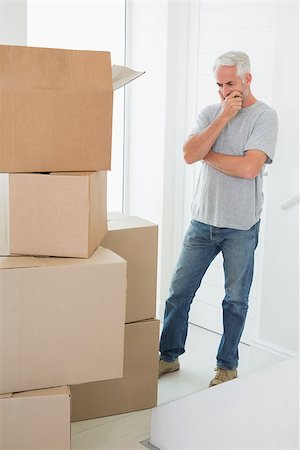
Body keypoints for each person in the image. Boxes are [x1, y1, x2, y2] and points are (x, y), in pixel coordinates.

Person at [158, 50, 278, 387]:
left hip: (240, 226)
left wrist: (205, 154)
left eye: (230, 83)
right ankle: (168, 356)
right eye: (219, 84)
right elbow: (187, 154)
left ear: (247, 79)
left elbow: (249, 167)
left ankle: (227, 366)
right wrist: (223, 118)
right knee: (178, 293)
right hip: (202, 221)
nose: (224, 91)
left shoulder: (265, 117)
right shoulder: (212, 113)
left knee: (235, 300)